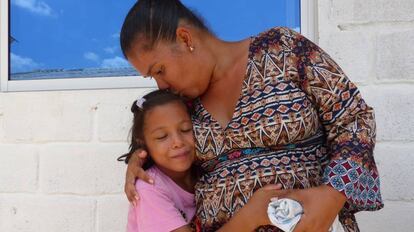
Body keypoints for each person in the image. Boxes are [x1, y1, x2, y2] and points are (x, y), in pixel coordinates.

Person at [119, 0, 384, 231]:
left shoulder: (283, 50)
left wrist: (333, 193)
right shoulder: (181, 106)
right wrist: (142, 161)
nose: (161, 85)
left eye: (160, 70)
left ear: (186, 39)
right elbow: (172, 164)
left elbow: (353, 117)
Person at [123, 89, 284, 232]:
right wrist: (250, 217)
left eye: (186, 129)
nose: (178, 142)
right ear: (143, 142)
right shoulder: (149, 189)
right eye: (162, 136)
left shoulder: (204, 166)